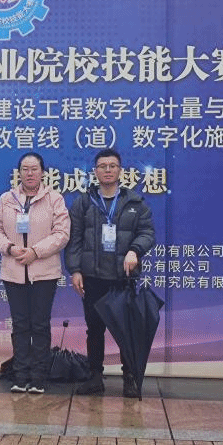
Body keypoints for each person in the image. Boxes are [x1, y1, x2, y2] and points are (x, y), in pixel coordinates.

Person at [64, 148, 155, 398]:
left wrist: (135, 250)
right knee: (94, 329)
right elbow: (74, 239)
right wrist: (75, 270)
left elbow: (147, 233)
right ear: (95, 171)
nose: (107, 170)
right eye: (102, 166)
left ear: (120, 171)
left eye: (112, 166)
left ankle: (130, 378)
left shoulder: (135, 202)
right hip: (92, 278)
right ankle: (95, 377)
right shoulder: (84, 203)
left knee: (127, 330)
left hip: (123, 278)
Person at [0, 152, 69, 395]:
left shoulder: (54, 199)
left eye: (34, 169)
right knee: (20, 325)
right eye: (25, 169)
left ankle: (38, 378)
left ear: (43, 172)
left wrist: (36, 252)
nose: (30, 173)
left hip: (44, 273)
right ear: (19, 172)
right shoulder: (6, 199)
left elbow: (62, 233)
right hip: (14, 272)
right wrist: (10, 248)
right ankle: (21, 376)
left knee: (40, 325)